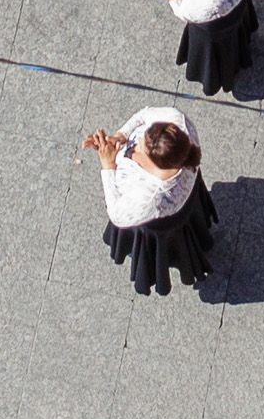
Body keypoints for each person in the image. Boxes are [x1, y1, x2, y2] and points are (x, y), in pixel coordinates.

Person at [84, 104, 216, 296]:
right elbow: (144, 115)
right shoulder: (177, 121)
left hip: (159, 223)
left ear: (158, 165)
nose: (134, 144)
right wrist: (122, 134)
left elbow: (117, 215)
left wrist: (108, 165)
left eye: (140, 148)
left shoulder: (151, 197)